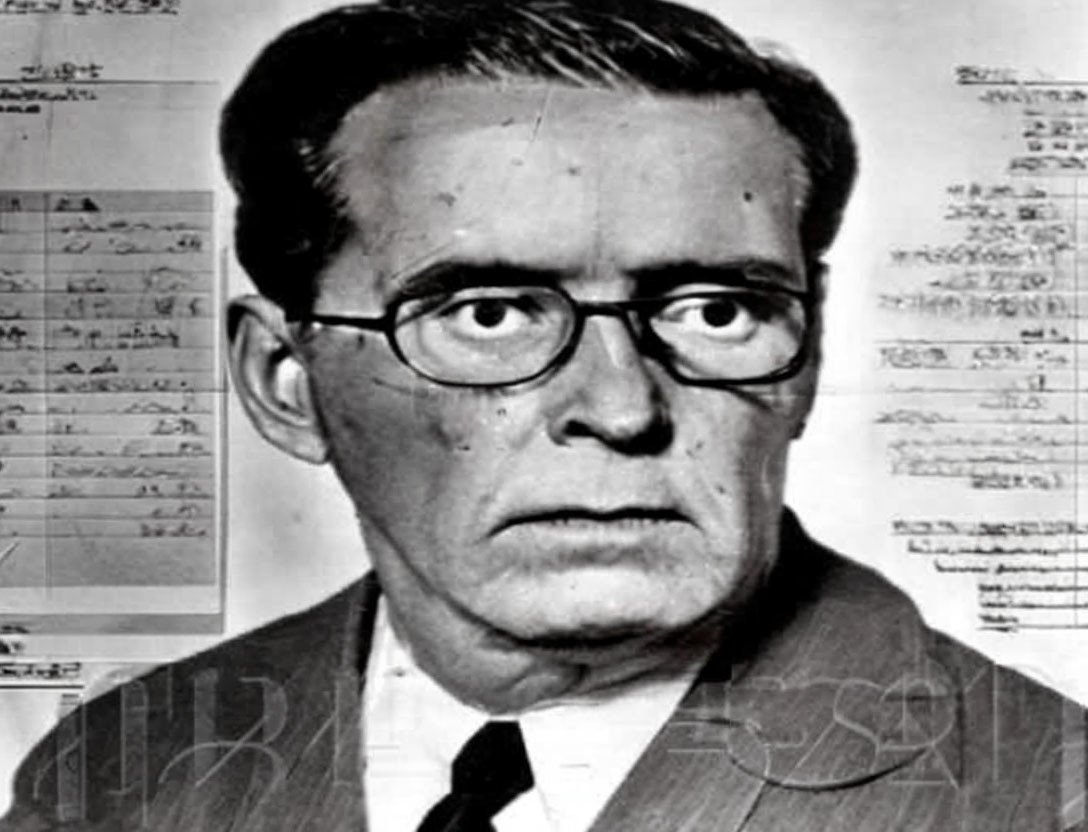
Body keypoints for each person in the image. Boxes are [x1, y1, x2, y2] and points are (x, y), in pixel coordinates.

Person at [3, 1, 1085, 830]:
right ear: (286, 378)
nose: (620, 407)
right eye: (487, 313)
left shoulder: (1044, 796)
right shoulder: (113, 771)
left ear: (808, 358)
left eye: (715, 308)